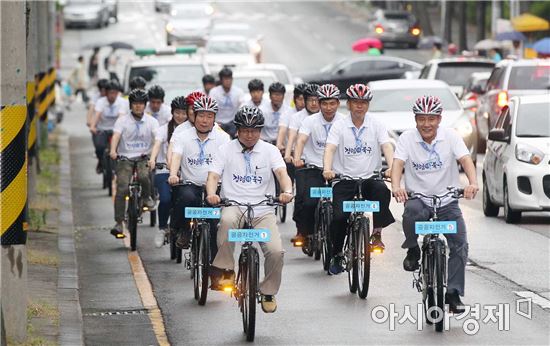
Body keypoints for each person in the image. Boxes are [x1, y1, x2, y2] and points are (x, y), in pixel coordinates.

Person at [391, 95, 478, 313]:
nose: (427, 124)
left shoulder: (450, 136)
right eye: (422, 119)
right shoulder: (407, 139)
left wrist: (473, 183)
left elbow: (465, 159)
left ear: (439, 119)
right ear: (416, 119)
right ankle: (412, 249)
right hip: (419, 199)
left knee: (460, 245)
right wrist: (396, 186)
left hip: (448, 200)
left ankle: (453, 293)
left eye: (431, 119)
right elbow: (398, 163)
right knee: (410, 212)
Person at [205, 106, 293, 313]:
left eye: (254, 130)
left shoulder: (270, 150)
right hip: (234, 206)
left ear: (260, 131)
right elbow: (213, 176)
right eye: (245, 130)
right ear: (237, 130)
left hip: (262, 210)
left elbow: (282, 173)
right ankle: (226, 269)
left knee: (276, 251)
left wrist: (287, 191)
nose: (249, 135)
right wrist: (212, 194)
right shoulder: (225, 149)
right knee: (225, 222)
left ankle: (268, 291)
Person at [323, 84, 395, 275]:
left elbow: (386, 146)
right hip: (345, 179)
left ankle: (377, 234)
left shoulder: (376, 124)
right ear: (349, 104)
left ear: (368, 105)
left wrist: (391, 167)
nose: (360, 106)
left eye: (363, 102)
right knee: (339, 217)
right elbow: (330, 148)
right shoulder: (339, 125)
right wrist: (328, 169)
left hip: (369, 177)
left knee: (382, 192)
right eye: (356, 102)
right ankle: (337, 253)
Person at [168, 95, 230, 251]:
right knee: (185, 198)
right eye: (201, 115)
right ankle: (182, 229)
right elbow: (176, 156)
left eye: (209, 116)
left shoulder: (223, 138)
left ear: (214, 118)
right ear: (193, 116)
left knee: (214, 227)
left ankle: (214, 269)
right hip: (190, 185)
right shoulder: (183, 136)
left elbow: (232, 161)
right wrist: (173, 174)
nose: (205, 120)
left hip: (214, 188)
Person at [292, 84, 345, 247]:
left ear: (338, 103)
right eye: (324, 103)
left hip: (338, 171)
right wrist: (297, 157)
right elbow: (300, 140)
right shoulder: (310, 121)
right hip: (314, 169)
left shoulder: (344, 120)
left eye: (332, 103)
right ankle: (307, 233)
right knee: (308, 203)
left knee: (343, 208)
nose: (328, 108)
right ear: (320, 104)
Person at [109, 89, 159, 238]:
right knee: (122, 187)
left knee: (144, 176)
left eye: (141, 104)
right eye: (135, 104)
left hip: (144, 157)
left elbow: (157, 139)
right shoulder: (122, 120)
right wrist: (113, 151)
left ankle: (146, 198)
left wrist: (153, 158)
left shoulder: (152, 121)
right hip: (125, 158)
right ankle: (119, 223)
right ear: (131, 105)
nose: (138, 106)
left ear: (145, 105)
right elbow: (116, 136)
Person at [149, 96, 188, 247]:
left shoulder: (191, 130)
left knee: (183, 200)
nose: (180, 116)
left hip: (184, 173)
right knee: (165, 199)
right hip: (164, 171)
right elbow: (157, 144)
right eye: (177, 112)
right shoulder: (164, 129)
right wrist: (153, 160)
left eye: (184, 113)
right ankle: (162, 228)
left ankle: (182, 228)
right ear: (172, 113)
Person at [90, 80, 128, 174]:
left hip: (116, 130)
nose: (112, 95)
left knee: (119, 149)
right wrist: (93, 126)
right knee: (99, 147)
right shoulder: (100, 102)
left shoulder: (122, 102)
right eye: (110, 93)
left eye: (115, 93)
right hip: (102, 129)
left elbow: (121, 117)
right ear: (106, 93)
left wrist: (119, 130)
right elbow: (97, 115)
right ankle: (101, 162)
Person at [208, 67, 244, 137]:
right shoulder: (214, 92)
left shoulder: (239, 92)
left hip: (233, 123)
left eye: (230, 78)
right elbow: (210, 108)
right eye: (225, 79)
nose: (228, 81)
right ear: (221, 80)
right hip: (218, 123)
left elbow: (242, 106)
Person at [276, 82, 307, 153]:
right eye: (300, 99)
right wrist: (279, 144)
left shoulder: (314, 114)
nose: (303, 102)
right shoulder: (287, 113)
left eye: (305, 99)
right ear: (294, 99)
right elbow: (282, 130)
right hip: (292, 152)